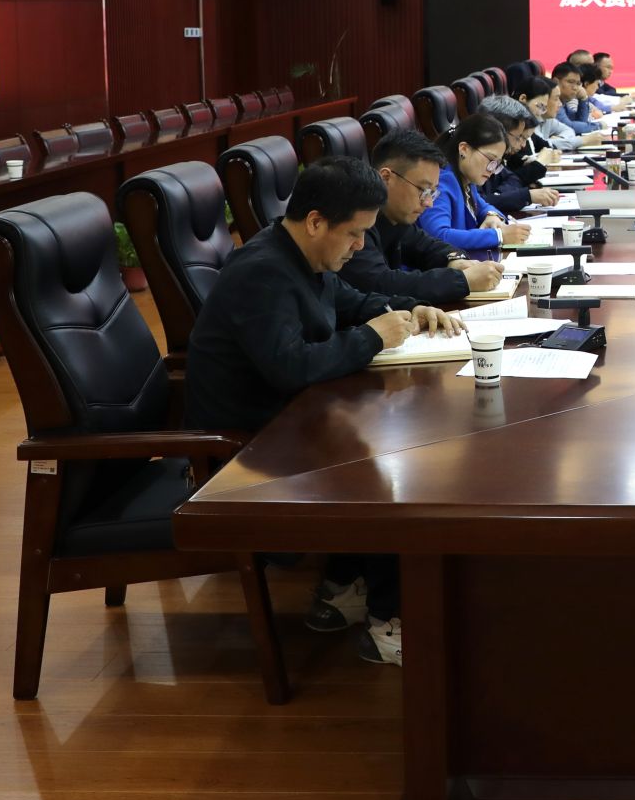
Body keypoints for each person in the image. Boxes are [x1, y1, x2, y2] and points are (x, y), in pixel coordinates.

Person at [183, 155, 465, 665]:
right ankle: (388, 621)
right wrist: (370, 338)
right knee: (396, 469)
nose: (360, 246)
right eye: (354, 234)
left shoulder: (301, 255)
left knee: (396, 440)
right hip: (247, 451)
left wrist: (406, 313)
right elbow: (290, 367)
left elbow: (350, 300)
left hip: (290, 421)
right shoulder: (263, 272)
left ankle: (344, 587)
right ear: (316, 221)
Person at [340, 131, 505, 307]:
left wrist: (456, 262)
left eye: (432, 193)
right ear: (386, 178)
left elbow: (427, 246)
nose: (429, 203)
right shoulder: (351, 220)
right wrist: (462, 280)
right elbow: (380, 284)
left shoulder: (396, 217)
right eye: (423, 191)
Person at [419, 114, 532, 253]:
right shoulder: (441, 181)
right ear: (464, 149)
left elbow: (483, 205)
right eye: (490, 159)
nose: (492, 169)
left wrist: (492, 215)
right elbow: (438, 236)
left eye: (496, 163)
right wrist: (498, 236)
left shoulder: (466, 178)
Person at [476, 95, 560, 215]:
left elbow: (512, 178)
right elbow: (477, 204)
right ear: (498, 131)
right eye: (518, 137)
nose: (523, 145)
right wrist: (525, 196)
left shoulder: (497, 157)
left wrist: (500, 195)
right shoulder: (474, 157)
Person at [523, 76, 597, 151]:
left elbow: (569, 130)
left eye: (578, 83)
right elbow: (543, 144)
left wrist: (560, 139)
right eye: (556, 99)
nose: (560, 104)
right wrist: (584, 140)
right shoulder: (526, 121)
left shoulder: (547, 119)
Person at [552, 62, 601, 134]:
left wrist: (583, 99)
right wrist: (599, 126)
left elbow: (580, 122)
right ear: (556, 82)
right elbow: (569, 127)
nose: (575, 88)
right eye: (571, 82)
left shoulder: (563, 102)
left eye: (578, 84)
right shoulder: (551, 101)